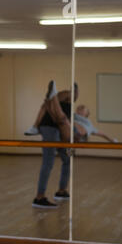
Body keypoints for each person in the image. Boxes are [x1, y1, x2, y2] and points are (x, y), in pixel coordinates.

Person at [31, 81, 77, 209]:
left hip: (60, 133)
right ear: (75, 91)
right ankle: (39, 197)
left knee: (68, 159)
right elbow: (46, 105)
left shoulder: (69, 105)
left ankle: (61, 191)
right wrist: (35, 125)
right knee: (48, 162)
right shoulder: (66, 94)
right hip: (50, 129)